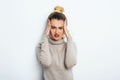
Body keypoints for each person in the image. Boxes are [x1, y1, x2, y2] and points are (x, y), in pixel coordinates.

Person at [37, 6, 77, 80]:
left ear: (64, 29)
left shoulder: (70, 45)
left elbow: (70, 64)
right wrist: (45, 35)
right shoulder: (42, 46)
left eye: (61, 28)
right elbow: (46, 63)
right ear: (48, 27)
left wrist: (69, 37)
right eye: (53, 27)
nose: (57, 32)